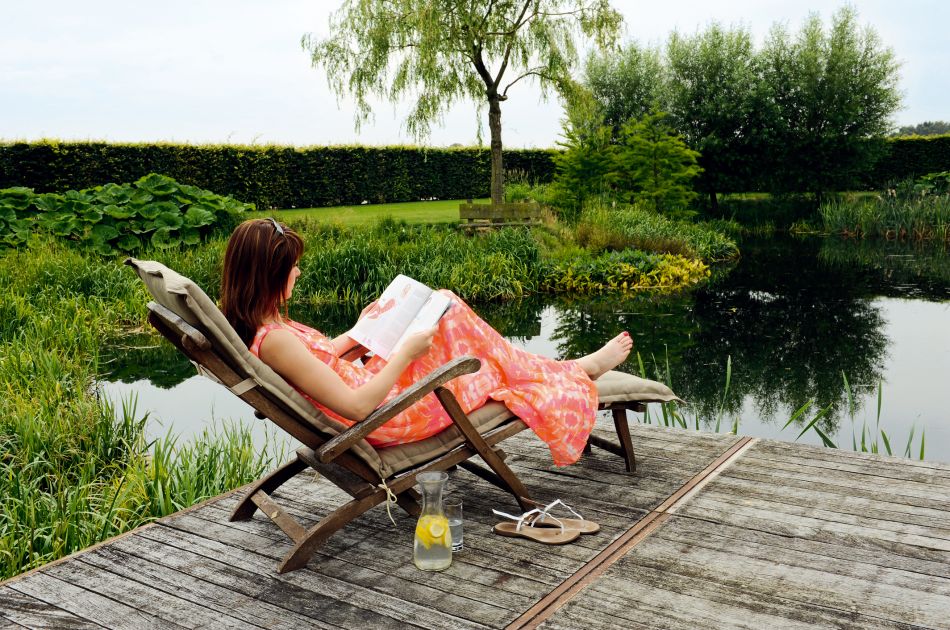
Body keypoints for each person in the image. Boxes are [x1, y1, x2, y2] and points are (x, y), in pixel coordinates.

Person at [220, 218, 632, 466]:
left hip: (378, 393)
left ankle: (565, 368)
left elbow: (322, 361)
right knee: (483, 365)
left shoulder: (268, 327)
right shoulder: (275, 341)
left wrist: (363, 330)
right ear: (268, 275)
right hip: (387, 415)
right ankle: (574, 370)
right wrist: (406, 353)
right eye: (292, 267)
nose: (298, 273)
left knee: (445, 308)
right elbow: (358, 408)